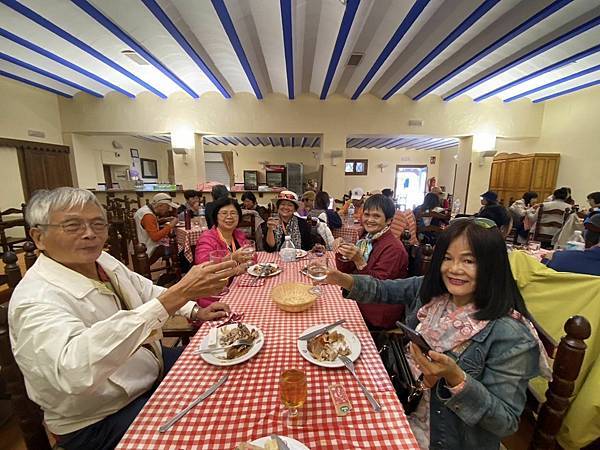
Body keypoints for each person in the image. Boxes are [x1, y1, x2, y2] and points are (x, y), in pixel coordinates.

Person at [9, 187, 237, 450]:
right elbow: (74, 372)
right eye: (73, 226)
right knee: (203, 430)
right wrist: (180, 292)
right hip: (101, 418)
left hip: (148, 367)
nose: (90, 234)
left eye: (97, 224)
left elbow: (144, 288)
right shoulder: (34, 299)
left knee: (227, 369)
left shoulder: (101, 260)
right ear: (39, 237)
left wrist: (195, 310)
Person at [325, 217, 548, 449]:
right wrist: (340, 278)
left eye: (469, 261)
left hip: (443, 435)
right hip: (402, 397)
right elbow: (384, 289)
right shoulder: (434, 291)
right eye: (448, 258)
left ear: (492, 265)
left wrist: (456, 379)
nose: (454, 269)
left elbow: (506, 422)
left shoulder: (511, 334)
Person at [334, 194, 408, 329]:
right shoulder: (366, 238)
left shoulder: (394, 248)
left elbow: (378, 288)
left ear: (389, 221)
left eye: (376, 216)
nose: (369, 220)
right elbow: (345, 270)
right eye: (366, 214)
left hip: (379, 310)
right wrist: (341, 251)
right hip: (362, 295)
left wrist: (359, 260)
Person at [194, 197, 256, 306]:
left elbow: (252, 257)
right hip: (215, 295)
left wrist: (244, 265)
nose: (229, 217)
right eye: (223, 213)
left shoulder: (238, 234)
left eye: (233, 213)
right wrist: (232, 258)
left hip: (237, 287)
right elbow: (204, 267)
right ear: (216, 216)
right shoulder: (207, 238)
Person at [134, 193, 179, 265]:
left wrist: (164, 219)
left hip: (140, 246)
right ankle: (177, 271)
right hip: (146, 250)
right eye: (168, 206)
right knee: (176, 248)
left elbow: (148, 225)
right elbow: (155, 237)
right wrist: (171, 225)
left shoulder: (145, 210)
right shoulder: (148, 216)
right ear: (160, 205)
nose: (170, 209)